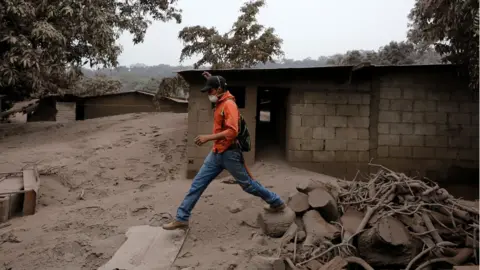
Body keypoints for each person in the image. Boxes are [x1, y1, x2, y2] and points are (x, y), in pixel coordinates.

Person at [162, 72, 286, 230]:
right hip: (216, 153)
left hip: (230, 154)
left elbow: (232, 131)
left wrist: (209, 137)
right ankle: (182, 217)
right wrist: (211, 79)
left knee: (248, 185)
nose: (208, 94)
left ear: (219, 89)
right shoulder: (221, 98)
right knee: (197, 184)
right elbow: (219, 87)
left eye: (210, 90)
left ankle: (276, 202)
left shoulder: (229, 105)